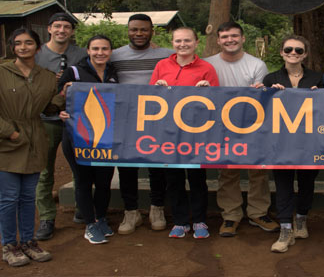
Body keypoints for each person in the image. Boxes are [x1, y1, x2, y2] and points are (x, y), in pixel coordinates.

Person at [205, 21, 279, 237]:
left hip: (253, 125)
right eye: (225, 36)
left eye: (234, 36)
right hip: (220, 126)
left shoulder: (257, 65)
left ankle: (258, 212)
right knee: (227, 172)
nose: (230, 40)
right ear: (218, 40)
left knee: (259, 171)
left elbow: (261, 99)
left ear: (243, 38)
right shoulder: (208, 64)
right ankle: (230, 215)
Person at [0, 28, 64, 266]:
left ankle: (28, 241)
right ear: (12, 47)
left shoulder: (47, 77)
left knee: (28, 197)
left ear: (38, 48)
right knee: (8, 198)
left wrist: (61, 97)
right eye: (18, 43)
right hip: (7, 142)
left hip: (35, 140)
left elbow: (47, 107)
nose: (23, 47)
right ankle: (9, 245)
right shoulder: (2, 72)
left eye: (29, 43)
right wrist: (11, 132)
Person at [150, 27, 219, 238]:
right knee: (173, 179)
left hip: (196, 133)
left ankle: (199, 221)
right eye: (178, 41)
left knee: (197, 178)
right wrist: (157, 88)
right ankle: (180, 221)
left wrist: (208, 90)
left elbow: (217, 101)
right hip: (168, 133)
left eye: (187, 41)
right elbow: (150, 98)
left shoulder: (206, 68)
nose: (183, 44)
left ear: (196, 42)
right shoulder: (162, 65)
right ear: (173, 43)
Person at [109, 14, 173, 235]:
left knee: (157, 166)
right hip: (125, 121)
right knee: (127, 167)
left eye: (144, 30)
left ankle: (157, 208)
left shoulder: (166, 55)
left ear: (152, 31)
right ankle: (131, 211)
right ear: (127, 30)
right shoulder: (114, 55)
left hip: (157, 120)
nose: (139, 34)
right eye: (134, 29)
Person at [258, 35, 323, 253]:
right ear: (281, 52)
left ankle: (302, 219)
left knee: (306, 183)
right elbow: (261, 111)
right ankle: (285, 229)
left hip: (309, 141)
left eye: (298, 50)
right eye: (288, 50)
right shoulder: (271, 78)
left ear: (305, 54)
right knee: (283, 183)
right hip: (280, 142)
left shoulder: (317, 77)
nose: (293, 53)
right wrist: (265, 94)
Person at [58, 35, 118, 245]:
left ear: (110, 51)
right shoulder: (73, 71)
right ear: (88, 50)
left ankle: (101, 218)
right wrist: (61, 111)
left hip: (105, 137)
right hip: (77, 137)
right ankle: (90, 224)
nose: (100, 52)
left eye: (104, 48)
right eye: (95, 49)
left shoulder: (113, 73)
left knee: (103, 181)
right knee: (83, 181)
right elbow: (56, 99)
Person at [34, 13, 87, 241]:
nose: (62, 30)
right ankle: (47, 217)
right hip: (44, 119)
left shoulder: (82, 54)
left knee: (80, 166)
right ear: (49, 29)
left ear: (72, 31)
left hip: (76, 118)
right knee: (44, 171)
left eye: (67, 27)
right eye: (57, 26)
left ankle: (82, 205)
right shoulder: (37, 55)